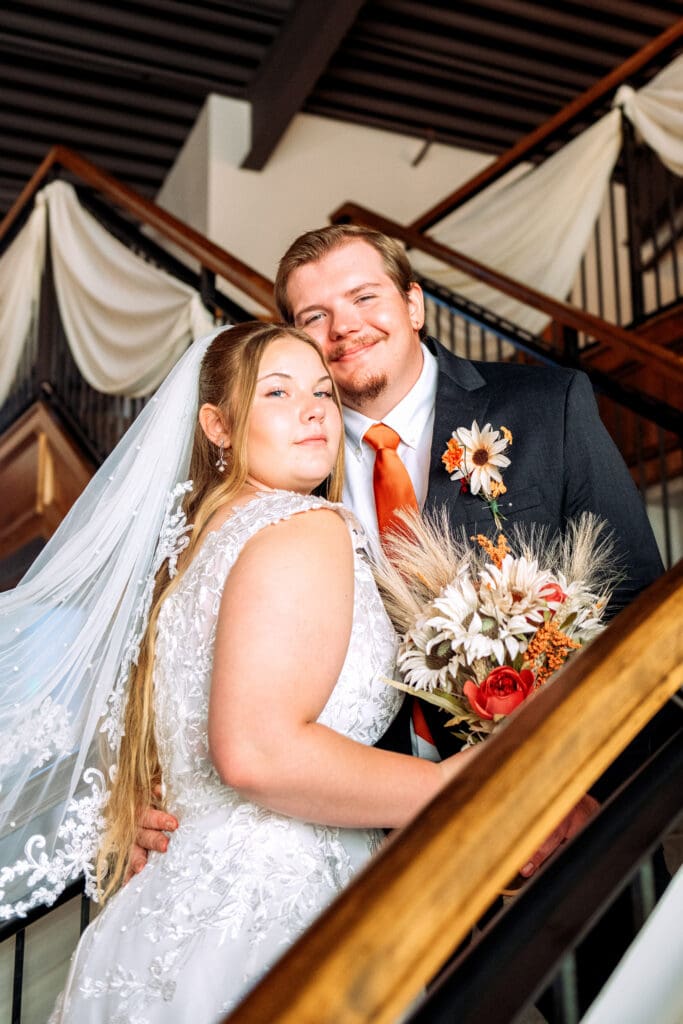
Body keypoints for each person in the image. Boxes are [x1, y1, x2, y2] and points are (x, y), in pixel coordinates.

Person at [133, 224, 666, 881]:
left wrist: (588, 787)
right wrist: (140, 787)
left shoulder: (543, 406)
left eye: (364, 298)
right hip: (369, 847)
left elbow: (638, 614)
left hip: (569, 823)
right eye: (315, 316)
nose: (344, 327)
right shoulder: (283, 474)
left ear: (413, 305)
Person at [39, 321, 472, 1022]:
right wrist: (455, 787)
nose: (313, 410)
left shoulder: (185, 556)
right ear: (217, 424)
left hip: (158, 916)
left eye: (324, 392)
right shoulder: (302, 527)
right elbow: (258, 752)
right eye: (277, 391)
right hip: (275, 915)